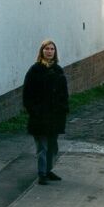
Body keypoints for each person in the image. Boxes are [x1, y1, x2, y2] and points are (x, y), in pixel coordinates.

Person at [22, 39, 69, 185]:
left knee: (53, 145)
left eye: (52, 49)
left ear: (55, 52)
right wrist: (34, 111)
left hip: (55, 116)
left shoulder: (58, 70)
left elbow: (64, 94)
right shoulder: (34, 70)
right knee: (42, 146)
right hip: (40, 116)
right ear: (42, 51)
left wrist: (63, 109)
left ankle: (49, 170)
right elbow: (27, 95)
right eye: (46, 49)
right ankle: (42, 173)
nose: (49, 51)